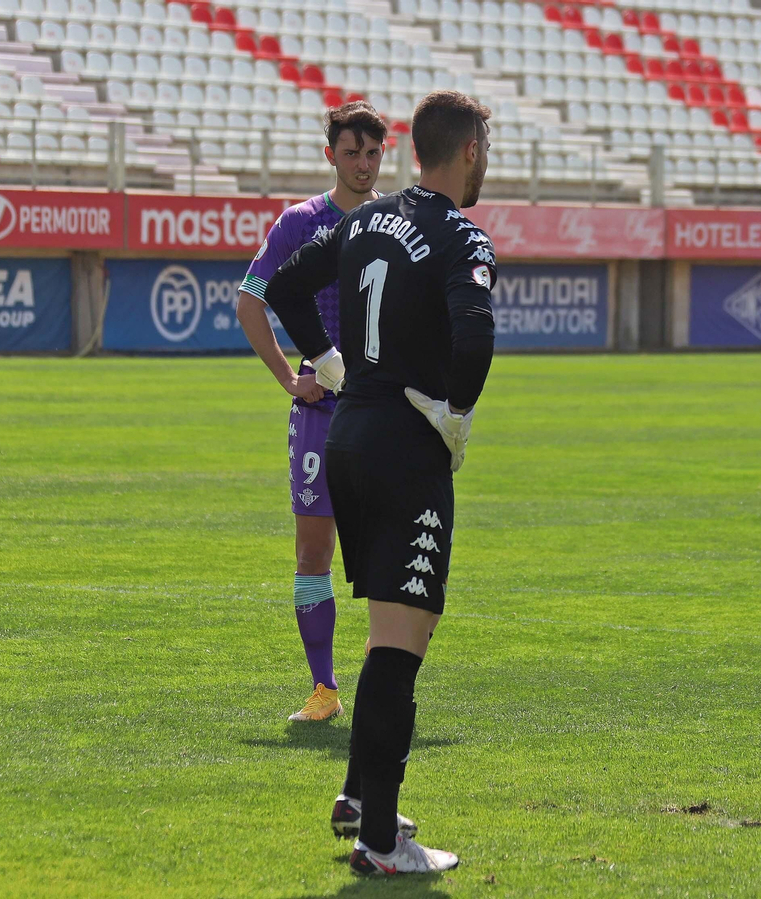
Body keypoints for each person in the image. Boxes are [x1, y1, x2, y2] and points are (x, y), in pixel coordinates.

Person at [263, 89, 497, 875]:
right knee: (402, 644)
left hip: (349, 440)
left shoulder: (364, 219)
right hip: (405, 450)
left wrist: (327, 361)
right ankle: (382, 842)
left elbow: (285, 288)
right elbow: (476, 335)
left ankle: (362, 797)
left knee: (390, 632)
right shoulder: (461, 234)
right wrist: (456, 413)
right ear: (468, 151)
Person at [237, 101, 387, 726]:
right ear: (330, 155)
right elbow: (251, 299)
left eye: (372, 153)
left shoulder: (396, 221)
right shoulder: (301, 222)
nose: (362, 164)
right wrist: (286, 380)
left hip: (382, 409)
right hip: (322, 410)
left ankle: (383, 681)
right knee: (312, 551)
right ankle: (324, 689)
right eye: (351, 153)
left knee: (387, 553)